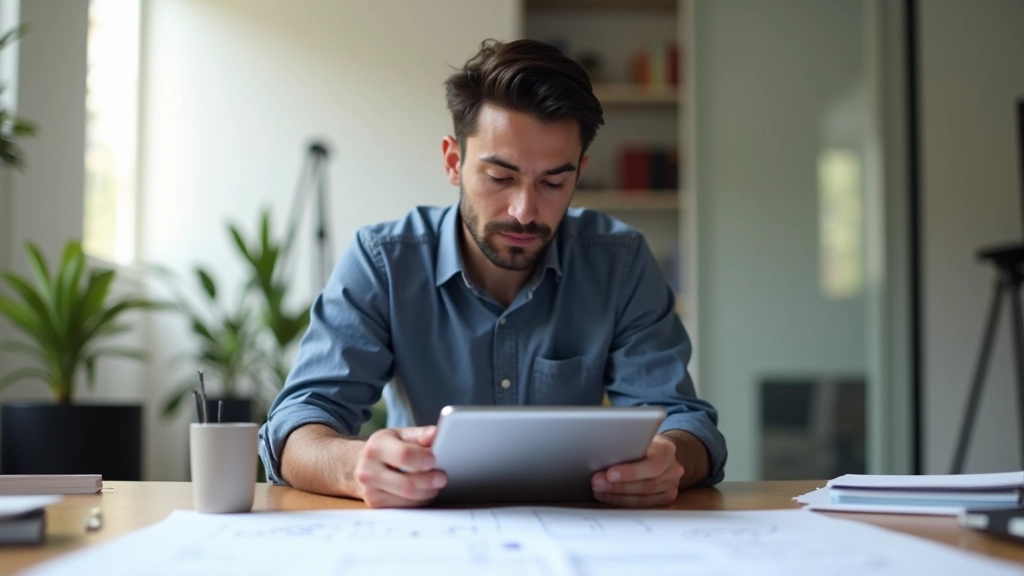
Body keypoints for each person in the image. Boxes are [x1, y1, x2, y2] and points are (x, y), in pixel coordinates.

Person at [259, 38, 727, 508]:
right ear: (453, 162)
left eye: (553, 182)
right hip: (426, 529)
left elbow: (688, 423)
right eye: (500, 178)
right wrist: (354, 466)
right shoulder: (383, 261)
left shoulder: (619, 262)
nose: (524, 212)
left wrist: (670, 456)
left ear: (579, 174)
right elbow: (296, 426)